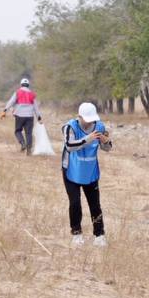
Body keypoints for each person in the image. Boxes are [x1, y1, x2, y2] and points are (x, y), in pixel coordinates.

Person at [62, 102, 112, 247]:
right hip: (71, 171)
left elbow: (107, 148)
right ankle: (76, 234)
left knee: (95, 204)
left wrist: (106, 142)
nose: (90, 122)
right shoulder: (70, 127)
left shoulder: (100, 127)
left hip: (90, 172)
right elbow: (69, 146)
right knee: (75, 203)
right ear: (79, 116)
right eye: (87, 119)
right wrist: (87, 139)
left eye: (92, 119)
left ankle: (99, 235)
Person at [2, 78, 42, 154]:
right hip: (30, 116)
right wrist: (39, 117)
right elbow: (35, 106)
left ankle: (23, 143)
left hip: (19, 115)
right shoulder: (32, 94)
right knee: (29, 133)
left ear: (21, 84)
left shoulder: (17, 92)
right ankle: (29, 150)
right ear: (28, 85)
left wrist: (5, 110)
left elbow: (11, 102)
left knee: (18, 131)